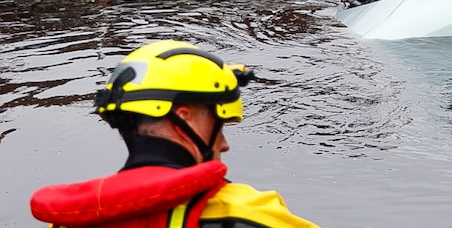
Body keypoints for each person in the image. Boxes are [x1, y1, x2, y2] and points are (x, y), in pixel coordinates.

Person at [29, 40, 318, 227]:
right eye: (219, 125)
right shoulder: (244, 213)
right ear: (185, 118)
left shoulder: (71, 220)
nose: (224, 144)